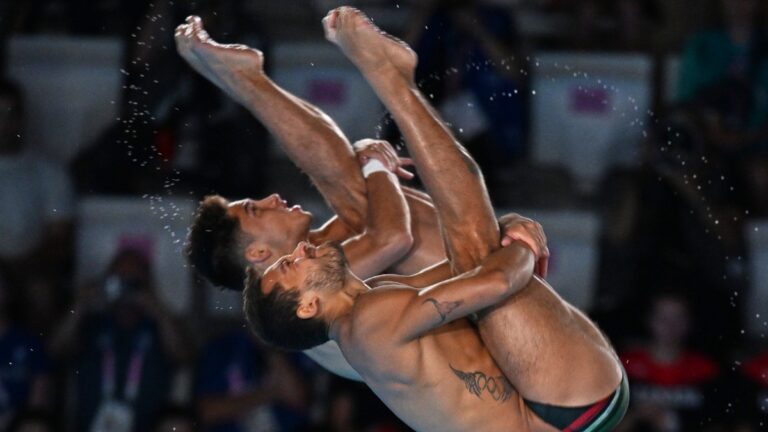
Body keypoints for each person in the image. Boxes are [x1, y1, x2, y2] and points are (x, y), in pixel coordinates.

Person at [244, 7, 628, 431]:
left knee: (475, 248)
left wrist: (510, 235)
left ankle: (383, 81)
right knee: (476, 249)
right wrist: (523, 243)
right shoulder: (366, 323)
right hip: (569, 409)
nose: (298, 250)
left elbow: (470, 268)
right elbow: (493, 277)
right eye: (288, 266)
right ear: (309, 305)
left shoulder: (370, 311)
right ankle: (392, 80)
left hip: (561, 403)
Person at [176, 16, 549, 381]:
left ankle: (252, 82)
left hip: (505, 337)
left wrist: (369, 155)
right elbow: (391, 235)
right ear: (257, 255)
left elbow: (346, 179)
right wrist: (375, 164)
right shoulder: (304, 294)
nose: (272, 197)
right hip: (515, 369)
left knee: (360, 192)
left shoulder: (317, 251)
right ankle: (386, 81)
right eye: (256, 210)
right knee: (366, 197)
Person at [49, 247, 190, 432]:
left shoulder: (159, 326)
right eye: (118, 280)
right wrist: (81, 303)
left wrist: (156, 307)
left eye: (133, 282)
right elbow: (55, 349)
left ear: (148, 284)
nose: (125, 289)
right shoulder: (92, 324)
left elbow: (183, 355)